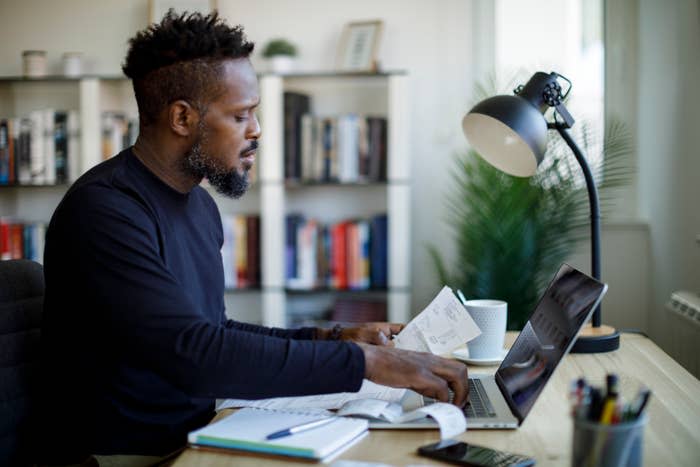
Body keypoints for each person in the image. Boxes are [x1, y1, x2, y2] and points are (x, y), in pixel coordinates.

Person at [36, 11, 468, 465]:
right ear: (182, 117)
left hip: (198, 431)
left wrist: (331, 336)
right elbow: (195, 355)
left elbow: (214, 331)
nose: (256, 130)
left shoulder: (197, 204)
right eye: (241, 115)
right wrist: (366, 363)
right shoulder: (105, 212)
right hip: (129, 455)